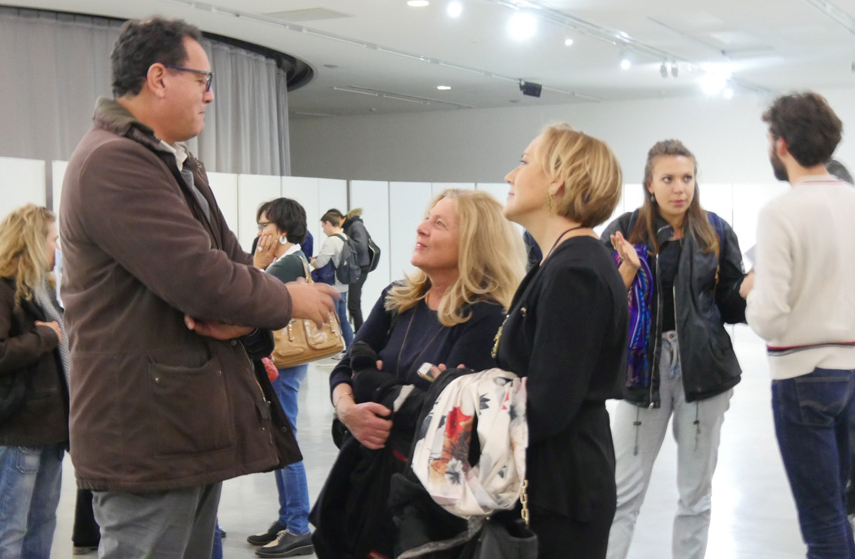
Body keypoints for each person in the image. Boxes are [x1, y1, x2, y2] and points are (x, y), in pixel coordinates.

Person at [59, 17, 337, 559]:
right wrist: (287, 300)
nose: (210, 96)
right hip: (147, 432)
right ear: (159, 77)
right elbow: (202, 278)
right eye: (202, 81)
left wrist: (242, 313)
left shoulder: (171, 162)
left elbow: (230, 266)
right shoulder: (114, 161)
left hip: (178, 424)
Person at [315, 188, 526, 559]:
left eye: (439, 224)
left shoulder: (486, 317)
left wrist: (369, 380)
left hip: (419, 500)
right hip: (363, 478)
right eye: (427, 218)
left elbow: (438, 413)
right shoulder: (397, 298)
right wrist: (347, 408)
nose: (422, 228)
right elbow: (348, 366)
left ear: (474, 242)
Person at [602, 140, 748, 559]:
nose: (679, 188)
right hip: (641, 371)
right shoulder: (624, 230)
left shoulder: (715, 230)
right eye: (668, 179)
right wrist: (626, 271)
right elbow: (602, 303)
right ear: (650, 184)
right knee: (622, 495)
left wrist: (748, 287)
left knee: (696, 496)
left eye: (687, 178)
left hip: (703, 370)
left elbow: (729, 305)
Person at [494, 124, 628, 559]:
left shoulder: (576, 271)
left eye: (523, 162)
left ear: (558, 180)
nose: (511, 176)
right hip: (551, 480)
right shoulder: (561, 262)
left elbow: (548, 403)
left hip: (559, 491)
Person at [741, 91, 855, 558]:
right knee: (838, 508)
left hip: (802, 377)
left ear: (782, 144)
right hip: (851, 371)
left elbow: (769, 317)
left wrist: (750, 296)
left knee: (821, 520)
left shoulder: (780, 213)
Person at [0, 204, 68, 559]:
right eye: (53, 239)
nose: (58, 247)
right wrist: (44, 337)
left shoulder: (40, 290)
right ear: (33, 242)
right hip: (18, 430)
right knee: (8, 527)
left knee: (41, 523)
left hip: (49, 430)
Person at [248, 198, 316, 557]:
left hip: (285, 362)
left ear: (283, 229)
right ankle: (288, 517)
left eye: (265, 226)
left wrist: (256, 267)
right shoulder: (286, 260)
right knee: (279, 438)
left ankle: (298, 526)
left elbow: (251, 299)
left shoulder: (288, 262)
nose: (260, 232)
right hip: (281, 361)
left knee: (285, 439)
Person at [310, 209, 355, 351]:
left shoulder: (331, 241)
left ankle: (335, 348)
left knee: (333, 320)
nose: (323, 230)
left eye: (323, 226)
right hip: (344, 284)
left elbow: (320, 263)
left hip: (333, 286)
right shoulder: (346, 238)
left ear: (328, 223)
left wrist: (313, 262)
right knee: (342, 318)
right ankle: (350, 349)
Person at [341, 208, 371, 331]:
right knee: (353, 304)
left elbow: (361, 246)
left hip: (360, 268)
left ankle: (361, 335)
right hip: (356, 267)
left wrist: (345, 240)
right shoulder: (351, 226)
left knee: (353, 305)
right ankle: (360, 334)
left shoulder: (356, 225)